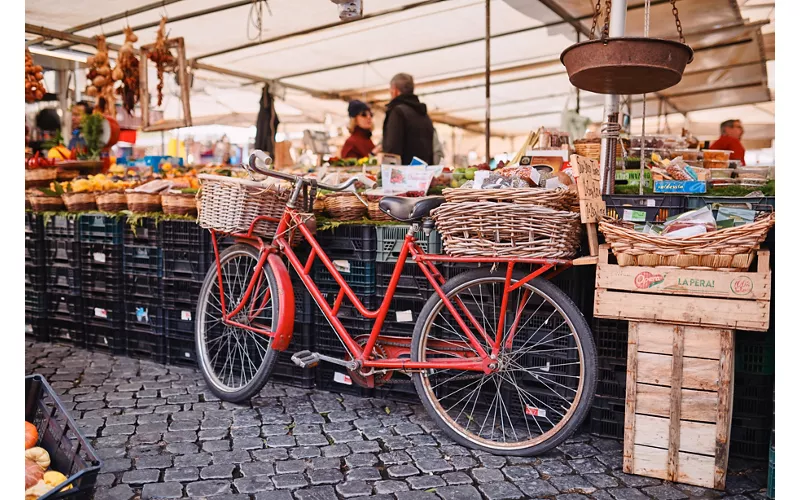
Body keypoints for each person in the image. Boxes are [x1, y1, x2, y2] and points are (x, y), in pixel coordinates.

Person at [382, 73, 435, 165]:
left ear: (394, 90)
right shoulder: (424, 115)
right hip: (423, 174)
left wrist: (386, 174)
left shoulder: (398, 112)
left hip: (404, 175)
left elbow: (392, 150)